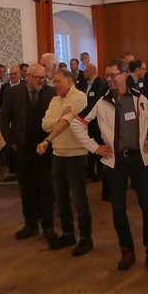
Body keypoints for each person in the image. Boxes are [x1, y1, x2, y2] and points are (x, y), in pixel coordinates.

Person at [73, 59, 148, 272]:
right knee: (118, 210)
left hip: (139, 161)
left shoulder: (139, 97)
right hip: (114, 162)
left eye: (113, 75)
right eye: (106, 75)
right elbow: (78, 123)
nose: (109, 79)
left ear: (125, 75)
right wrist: (95, 148)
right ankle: (127, 251)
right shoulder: (101, 100)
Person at [0, 64, 57, 241]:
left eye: (43, 77)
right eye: (37, 78)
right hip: (22, 149)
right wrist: (12, 143)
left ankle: (48, 226)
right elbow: (3, 120)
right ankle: (30, 224)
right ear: (28, 77)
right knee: (26, 188)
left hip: (46, 148)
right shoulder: (13, 92)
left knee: (46, 188)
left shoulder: (51, 92)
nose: (41, 81)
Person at [39, 70, 92, 255]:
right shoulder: (55, 101)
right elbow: (44, 124)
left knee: (78, 199)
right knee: (61, 198)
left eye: (58, 81)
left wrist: (49, 138)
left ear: (70, 81)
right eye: (53, 82)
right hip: (58, 154)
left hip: (76, 154)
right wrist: (60, 117)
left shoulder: (79, 97)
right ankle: (68, 233)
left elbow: (67, 122)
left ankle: (86, 238)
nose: (55, 85)